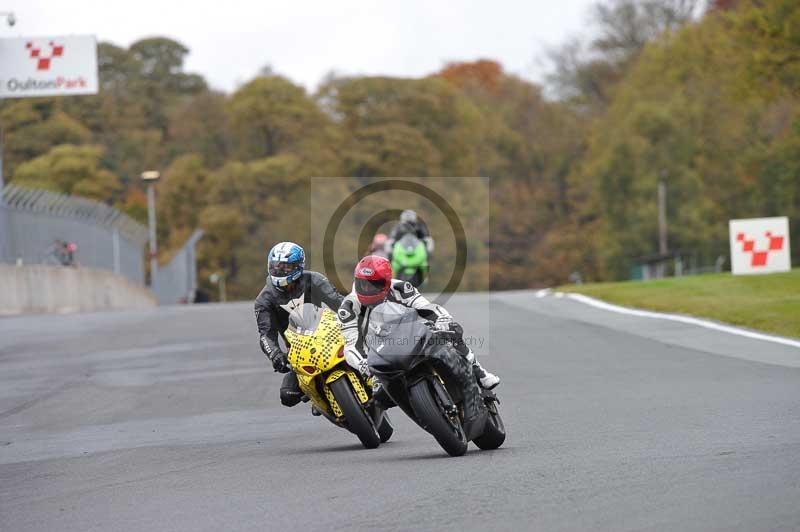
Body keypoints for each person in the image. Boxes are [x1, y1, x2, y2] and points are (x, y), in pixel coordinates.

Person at [336, 255, 500, 393]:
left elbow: (427, 307)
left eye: (373, 284)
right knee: (376, 392)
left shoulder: (400, 288)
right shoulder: (348, 307)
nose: (366, 289)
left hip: (412, 333)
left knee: (452, 331)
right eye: (362, 283)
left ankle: (480, 373)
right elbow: (351, 346)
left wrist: (442, 320)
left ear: (386, 283)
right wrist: (362, 363)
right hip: (379, 351)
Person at [254, 242, 345, 407]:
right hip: (299, 351)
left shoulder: (314, 280)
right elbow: (266, 335)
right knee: (288, 396)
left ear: (298, 266)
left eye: (286, 267)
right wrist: (275, 355)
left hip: (332, 336)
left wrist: (357, 315)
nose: (280, 271)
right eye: (276, 266)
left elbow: (339, 303)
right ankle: (319, 400)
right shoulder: (264, 300)